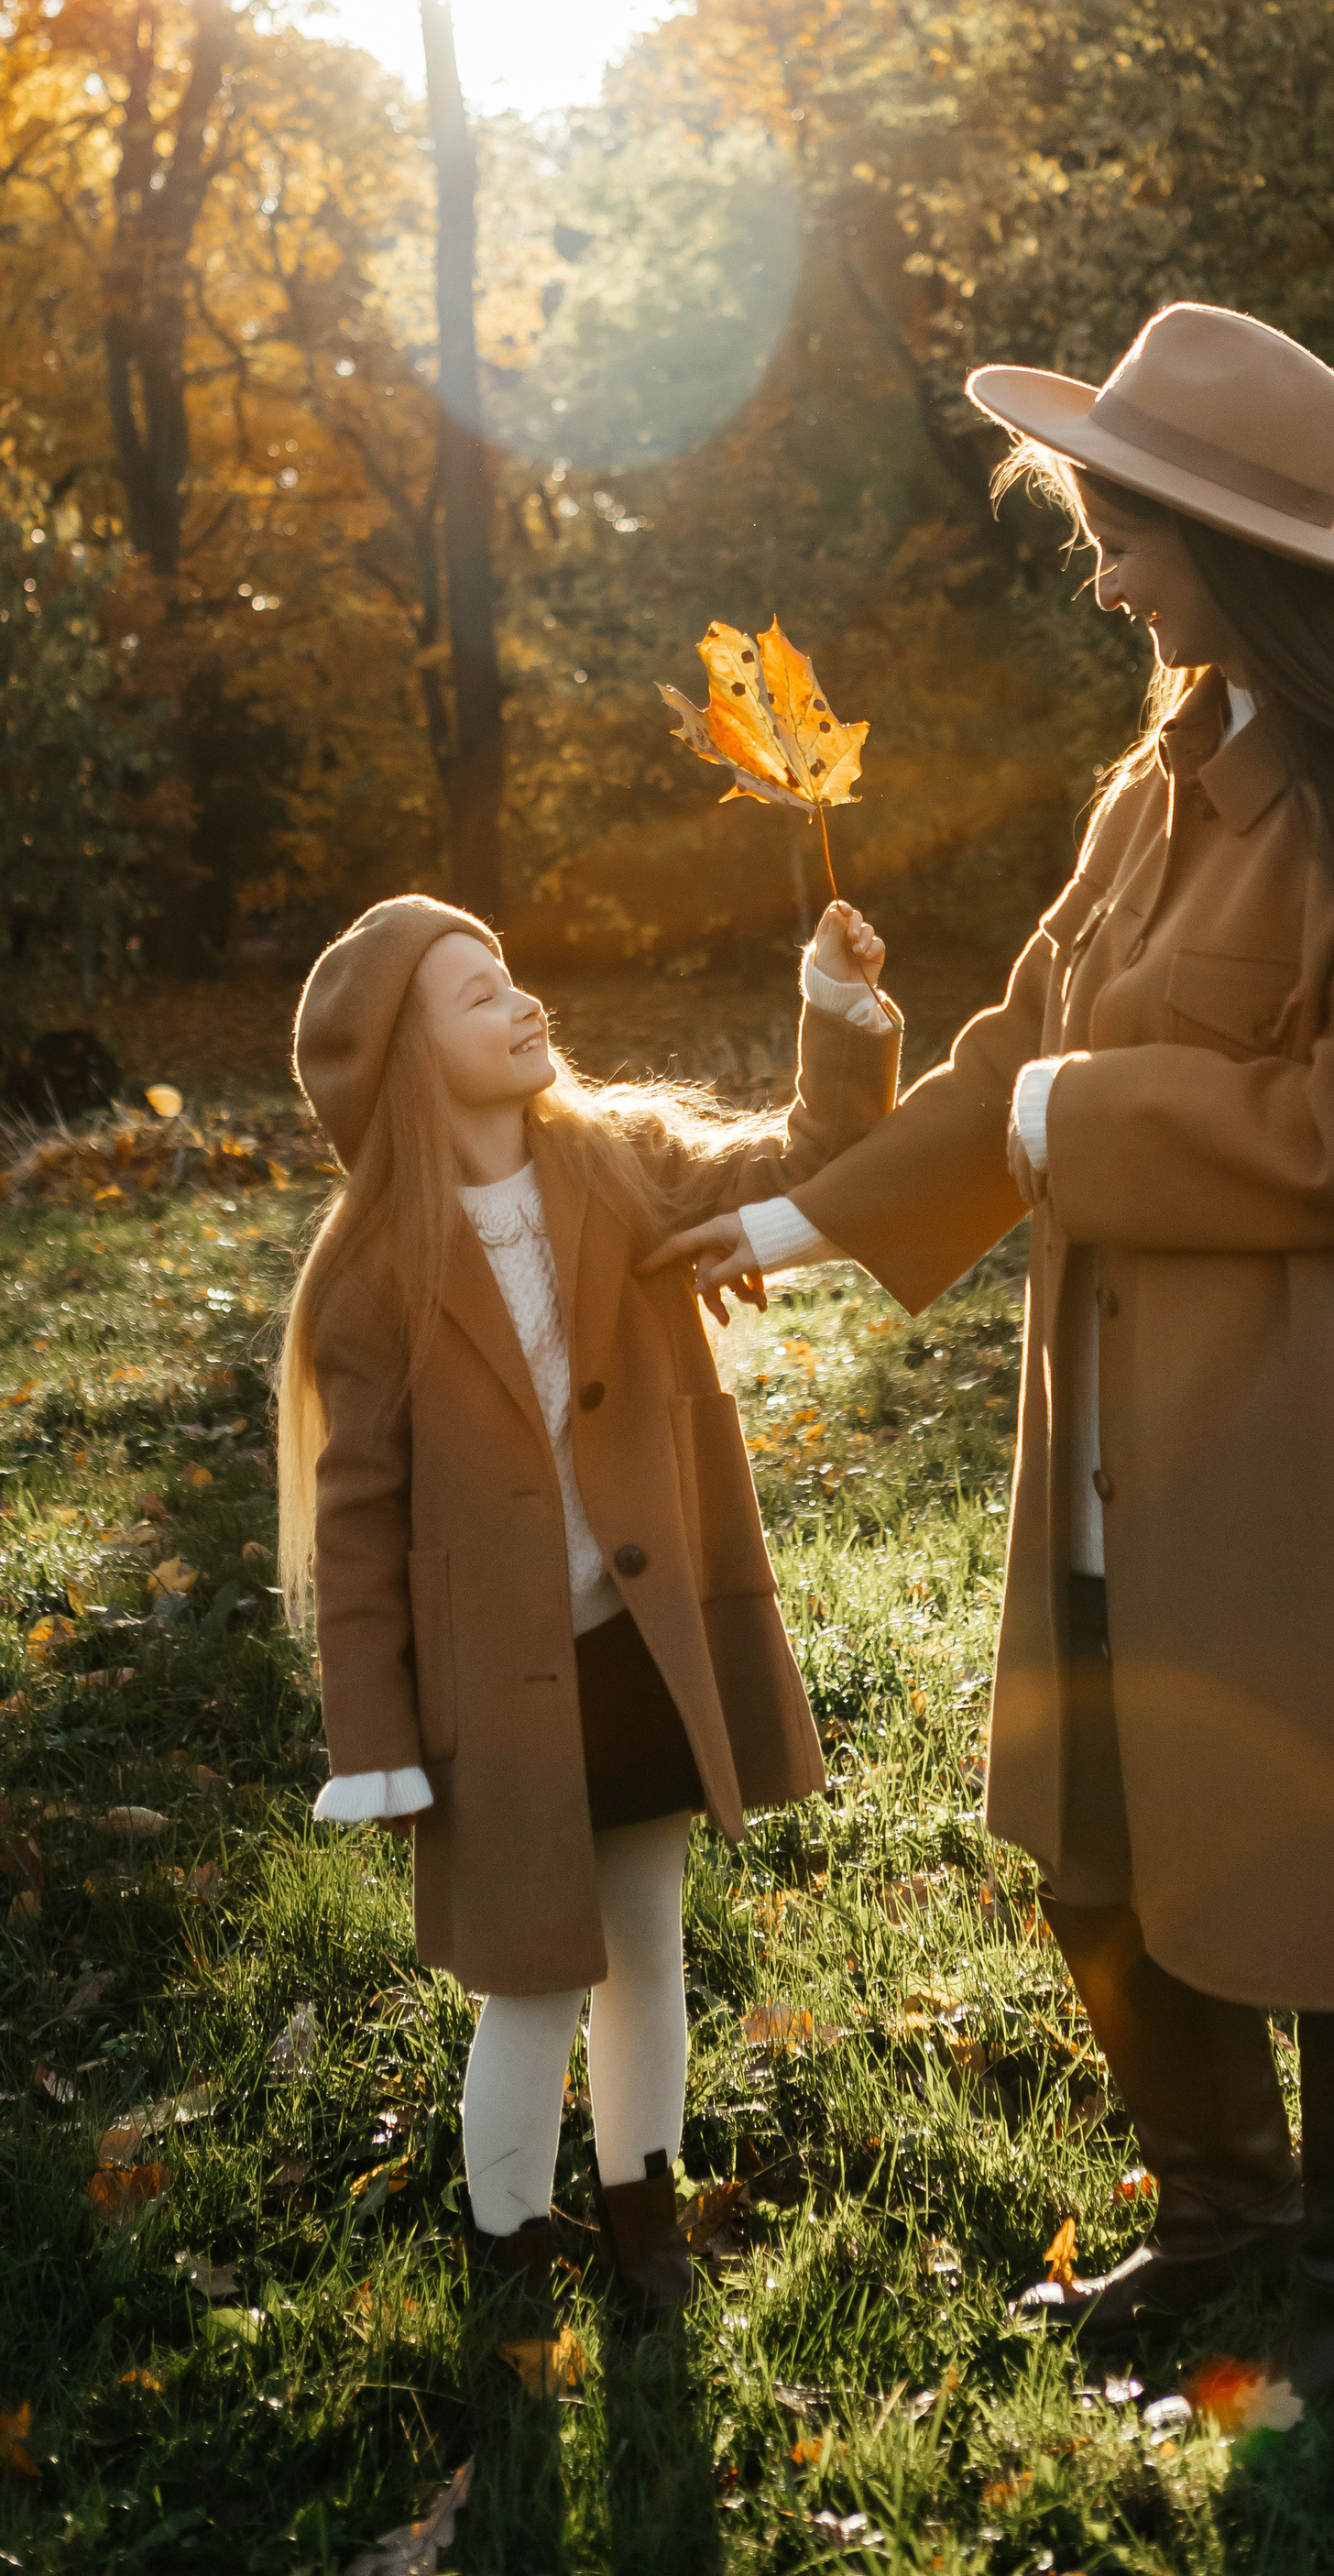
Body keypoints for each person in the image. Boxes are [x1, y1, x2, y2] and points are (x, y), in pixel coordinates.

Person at [647, 302, 1334, 2426]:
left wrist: (1062, 1127)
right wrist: (806, 1220)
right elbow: (1015, 1051)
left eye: (1119, 531)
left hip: (1321, 1442)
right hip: (1121, 1418)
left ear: (1228, 546)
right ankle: (1218, 2229)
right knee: (1097, 1819)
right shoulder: (1154, 779)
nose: (1097, 570)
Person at [277, 890, 896, 2319]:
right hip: (496, 1685)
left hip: (638, 1643)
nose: (523, 1002)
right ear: (413, 1062)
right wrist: (372, 1737)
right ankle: (506, 2239)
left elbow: (805, 1149)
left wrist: (835, 1002)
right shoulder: (375, 1276)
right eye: (478, 996)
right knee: (534, 1976)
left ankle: (643, 2215)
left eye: (512, 975)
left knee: (646, 1945)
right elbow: (358, 1524)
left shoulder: (621, 1163)